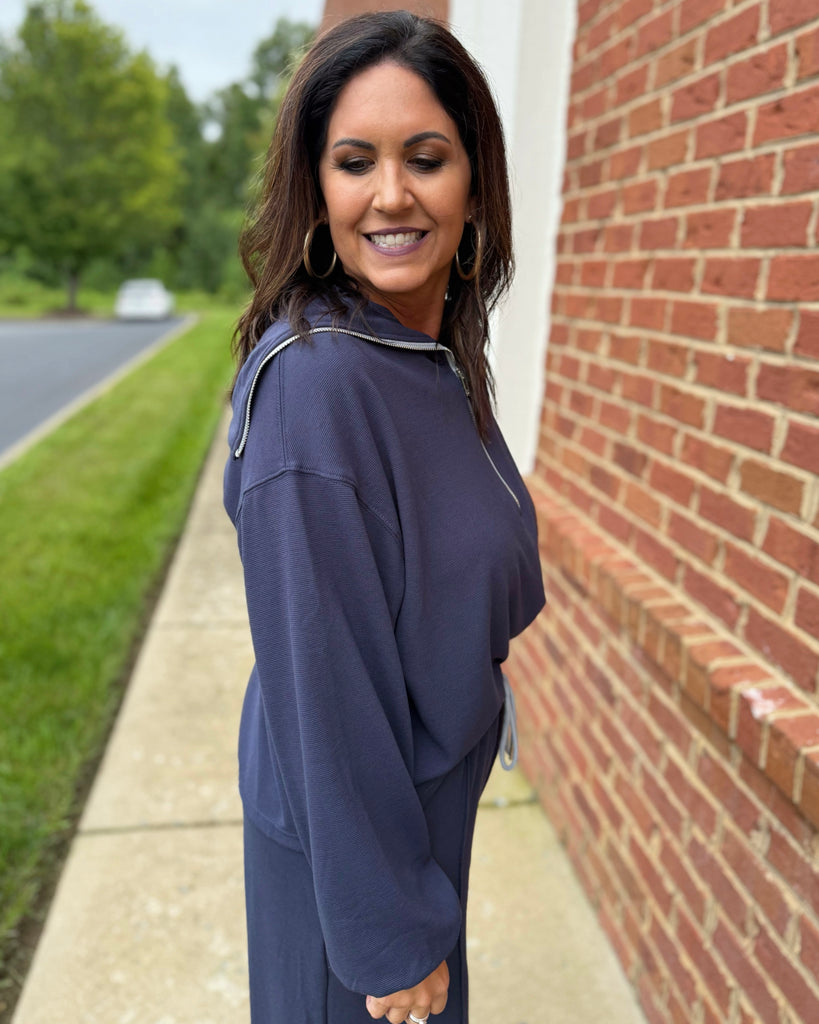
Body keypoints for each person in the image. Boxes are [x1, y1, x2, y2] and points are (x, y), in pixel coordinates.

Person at [223, 10, 545, 1024]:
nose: (392, 194)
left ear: (475, 182)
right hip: (357, 854)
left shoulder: (427, 353)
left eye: (427, 158)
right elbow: (327, 685)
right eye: (355, 162)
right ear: (316, 190)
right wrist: (388, 933)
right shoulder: (316, 390)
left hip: (419, 819)